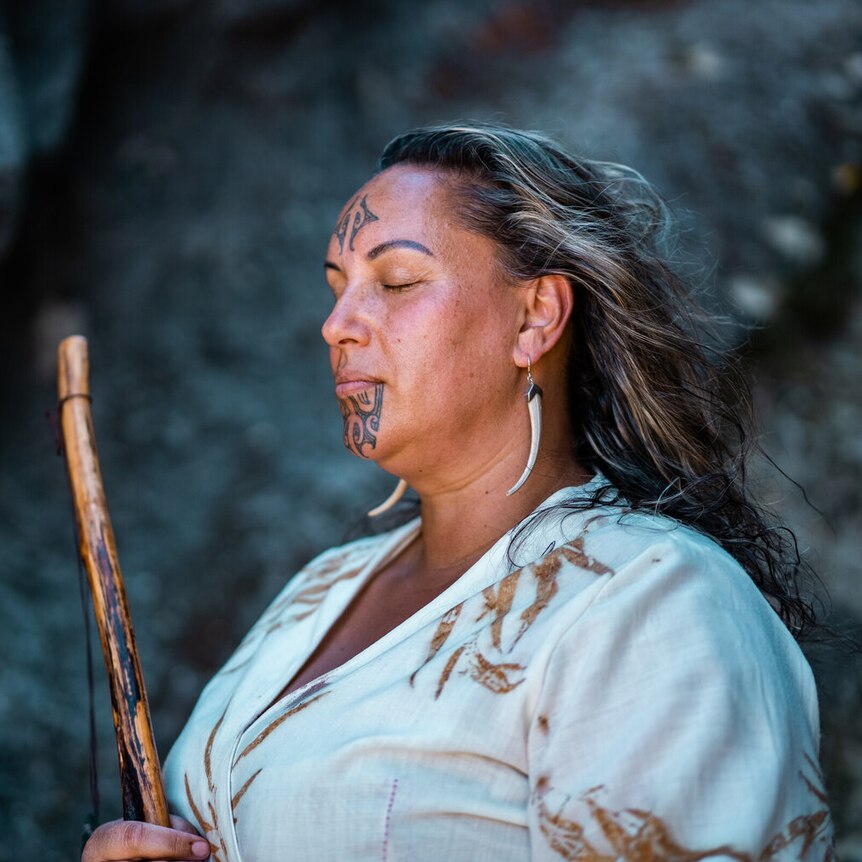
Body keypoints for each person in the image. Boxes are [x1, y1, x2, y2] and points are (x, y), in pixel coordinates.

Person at [82, 124, 834, 862]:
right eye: (337, 289)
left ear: (535, 316)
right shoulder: (322, 590)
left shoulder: (650, 598)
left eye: (397, 281)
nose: (336, 325)